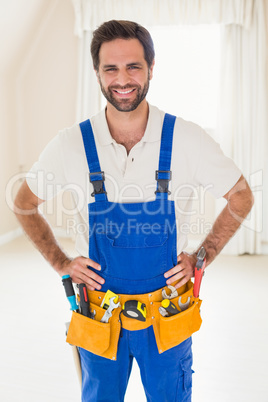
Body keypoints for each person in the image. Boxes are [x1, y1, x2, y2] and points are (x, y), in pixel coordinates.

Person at [14, 20, 253, 402]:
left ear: (151, 68)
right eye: (111, 68)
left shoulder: (186, 138)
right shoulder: (70, 144)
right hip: (98, 313)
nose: (122, 79)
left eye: (133, 67)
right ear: (96, 73)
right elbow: (24, 203)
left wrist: (202, 256)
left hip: (167, 313)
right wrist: (61, 262)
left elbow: (241, 196)